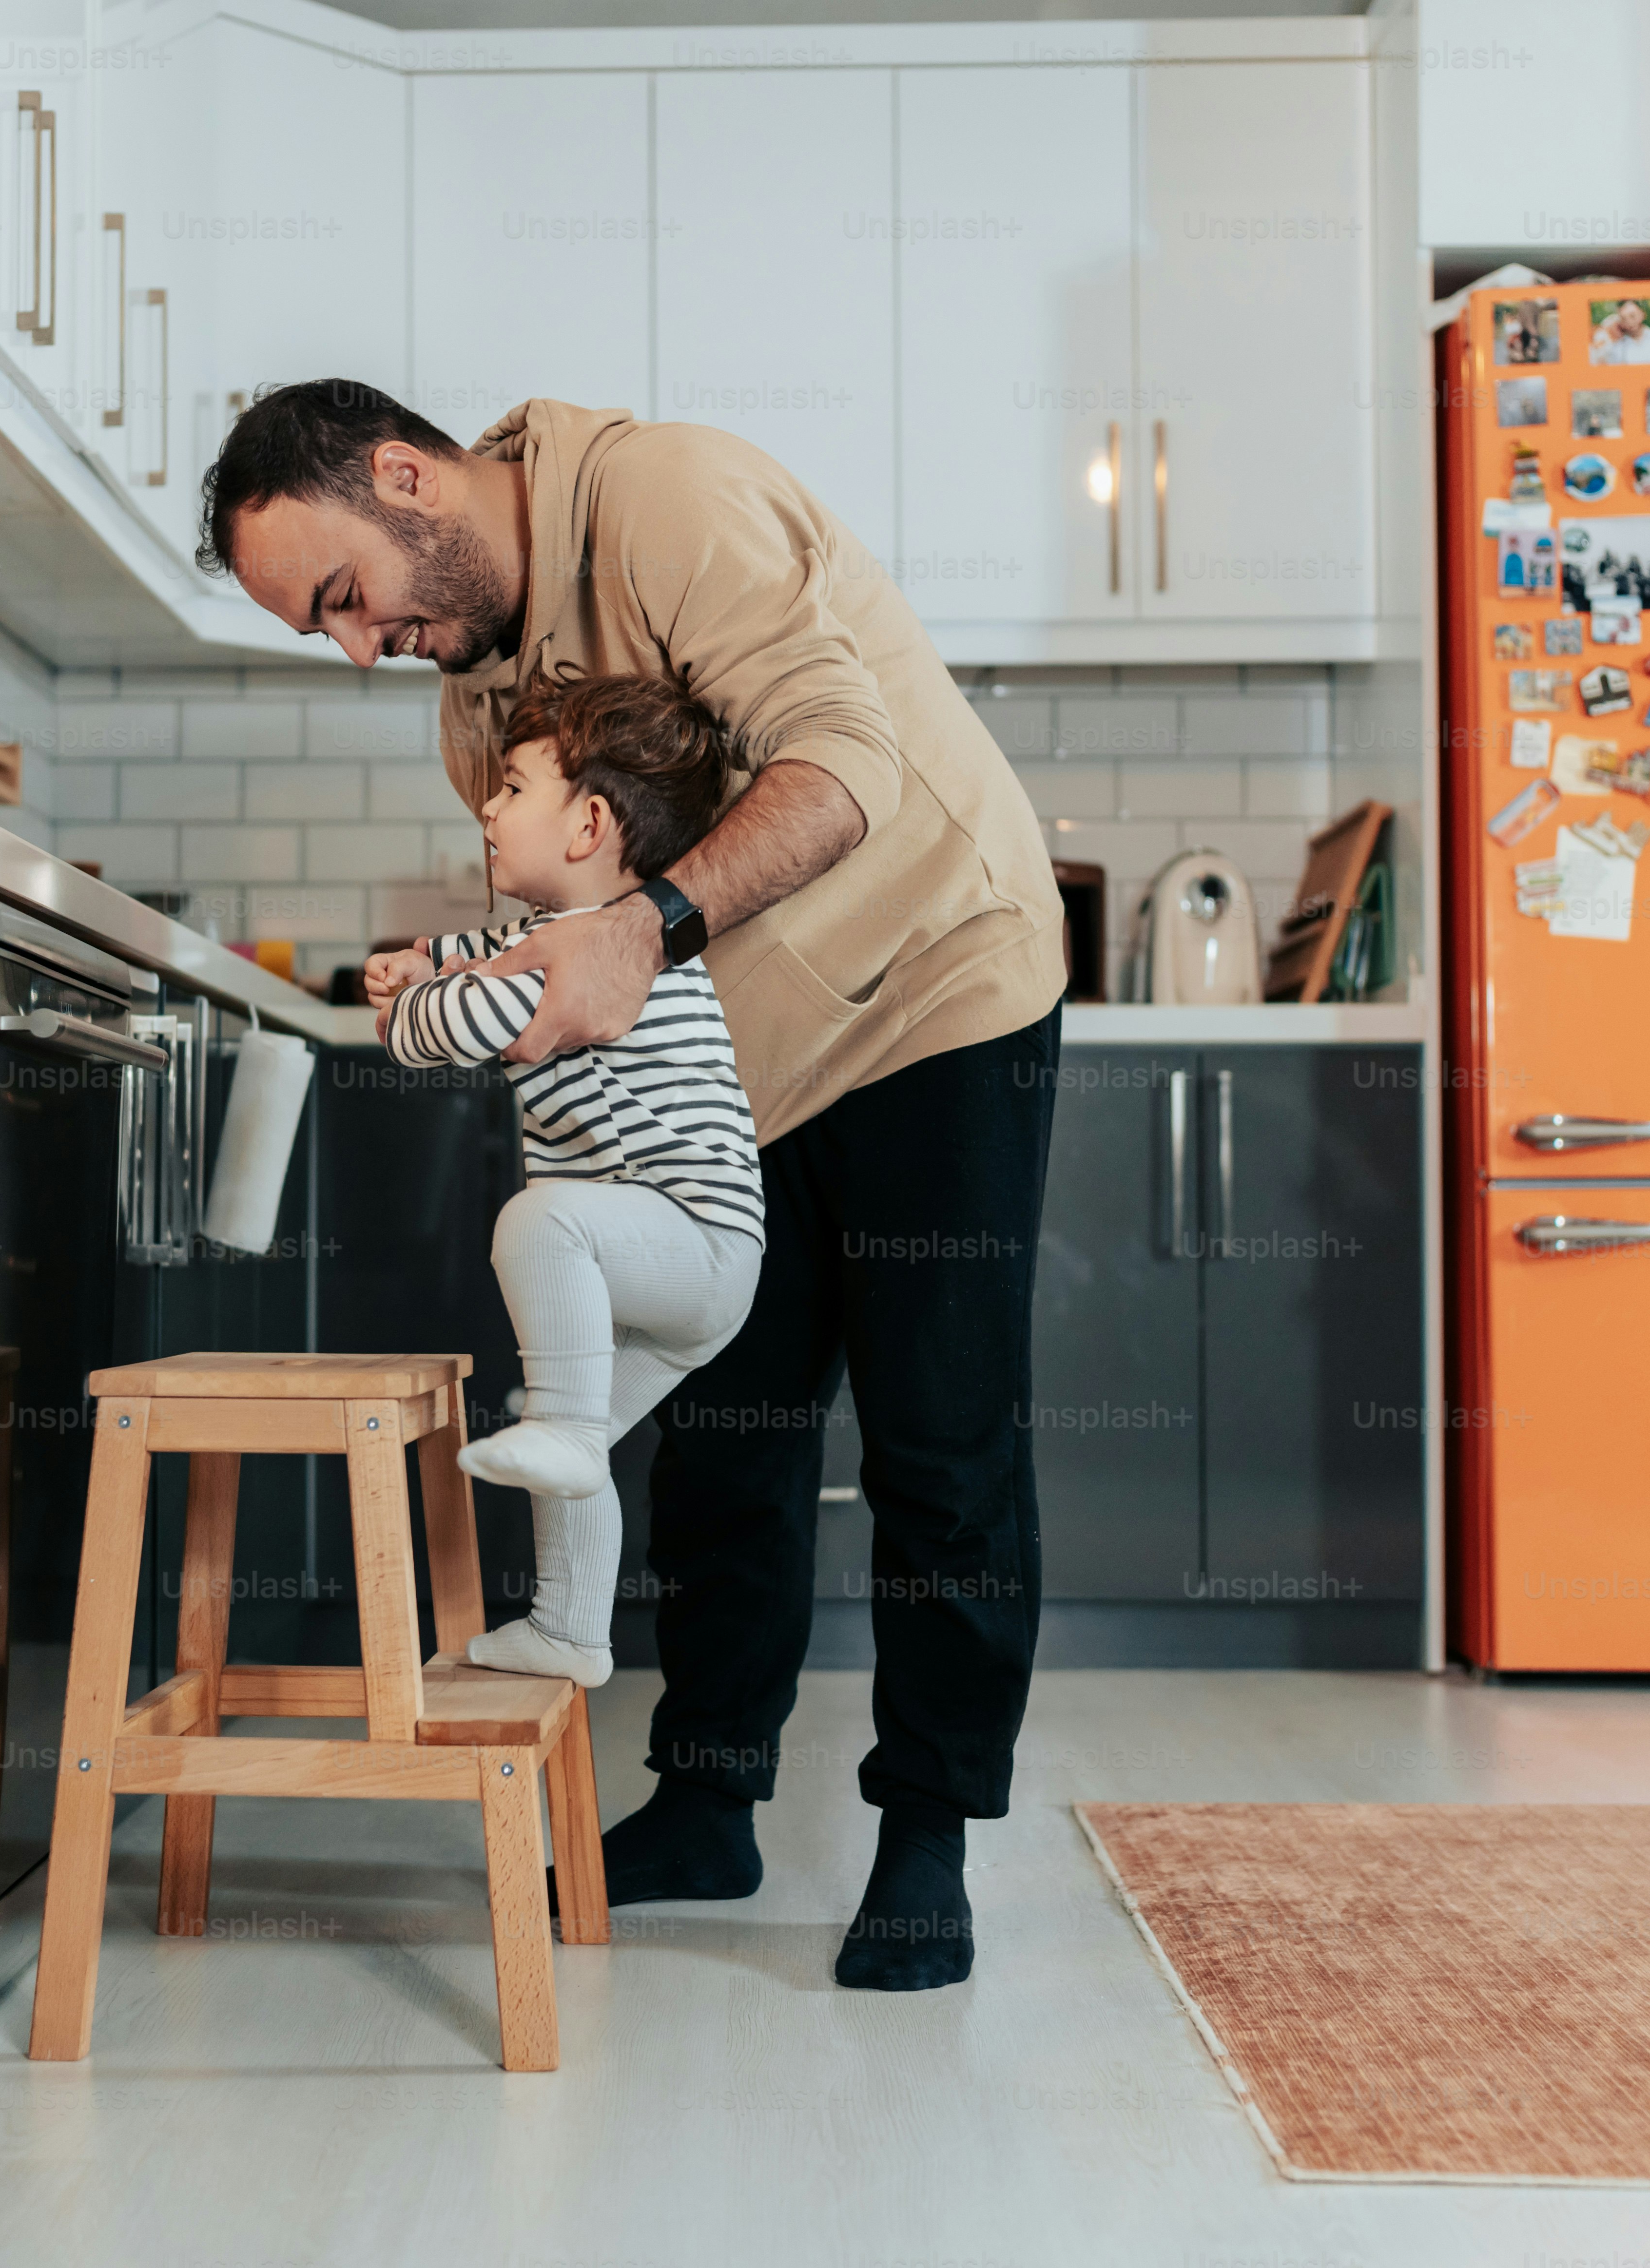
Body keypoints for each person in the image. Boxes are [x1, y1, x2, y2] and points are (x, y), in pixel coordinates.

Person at [198, 381, 1066, 1991]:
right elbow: (571, 939)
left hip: (935, 981)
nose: (351, 643)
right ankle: (709, 1800)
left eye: (341, 596)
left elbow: (844, 751)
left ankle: (927, 1835)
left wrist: (638, 931)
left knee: (942, 1439)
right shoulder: (473, 700)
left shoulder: (668, 499)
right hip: (741, 1061)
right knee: (727, 1437)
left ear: (404, 480)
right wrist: (465, 990)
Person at [371, 673, 764, 1691]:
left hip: (694, 1245)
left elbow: (444, 1028)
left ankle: (566, 1439)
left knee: (538, 1229)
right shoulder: (539, 942)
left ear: (589, 823)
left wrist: (408, 1003)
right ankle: (568, 1628)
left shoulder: (600, 956)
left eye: (508, 786)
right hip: (673, 1264)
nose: (487, 808)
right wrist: (418, 961)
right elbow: (461, 959)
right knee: (562, 1415)